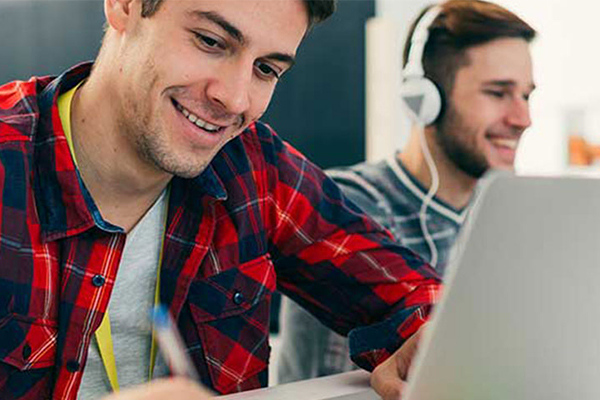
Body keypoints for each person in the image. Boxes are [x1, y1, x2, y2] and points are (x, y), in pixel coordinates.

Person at [0, 1, 442, 399]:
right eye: (211, 41)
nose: (233, 98)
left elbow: (420, 299)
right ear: (124, 6)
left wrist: (429, 343)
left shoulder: (254, 167)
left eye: (266, 69)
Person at [278, 0, 536, 385]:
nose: (522, 119)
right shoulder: (351, 207)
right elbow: (334, 385)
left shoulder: (508, 221)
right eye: (498, 93)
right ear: (424, 99)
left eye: (527, 96)